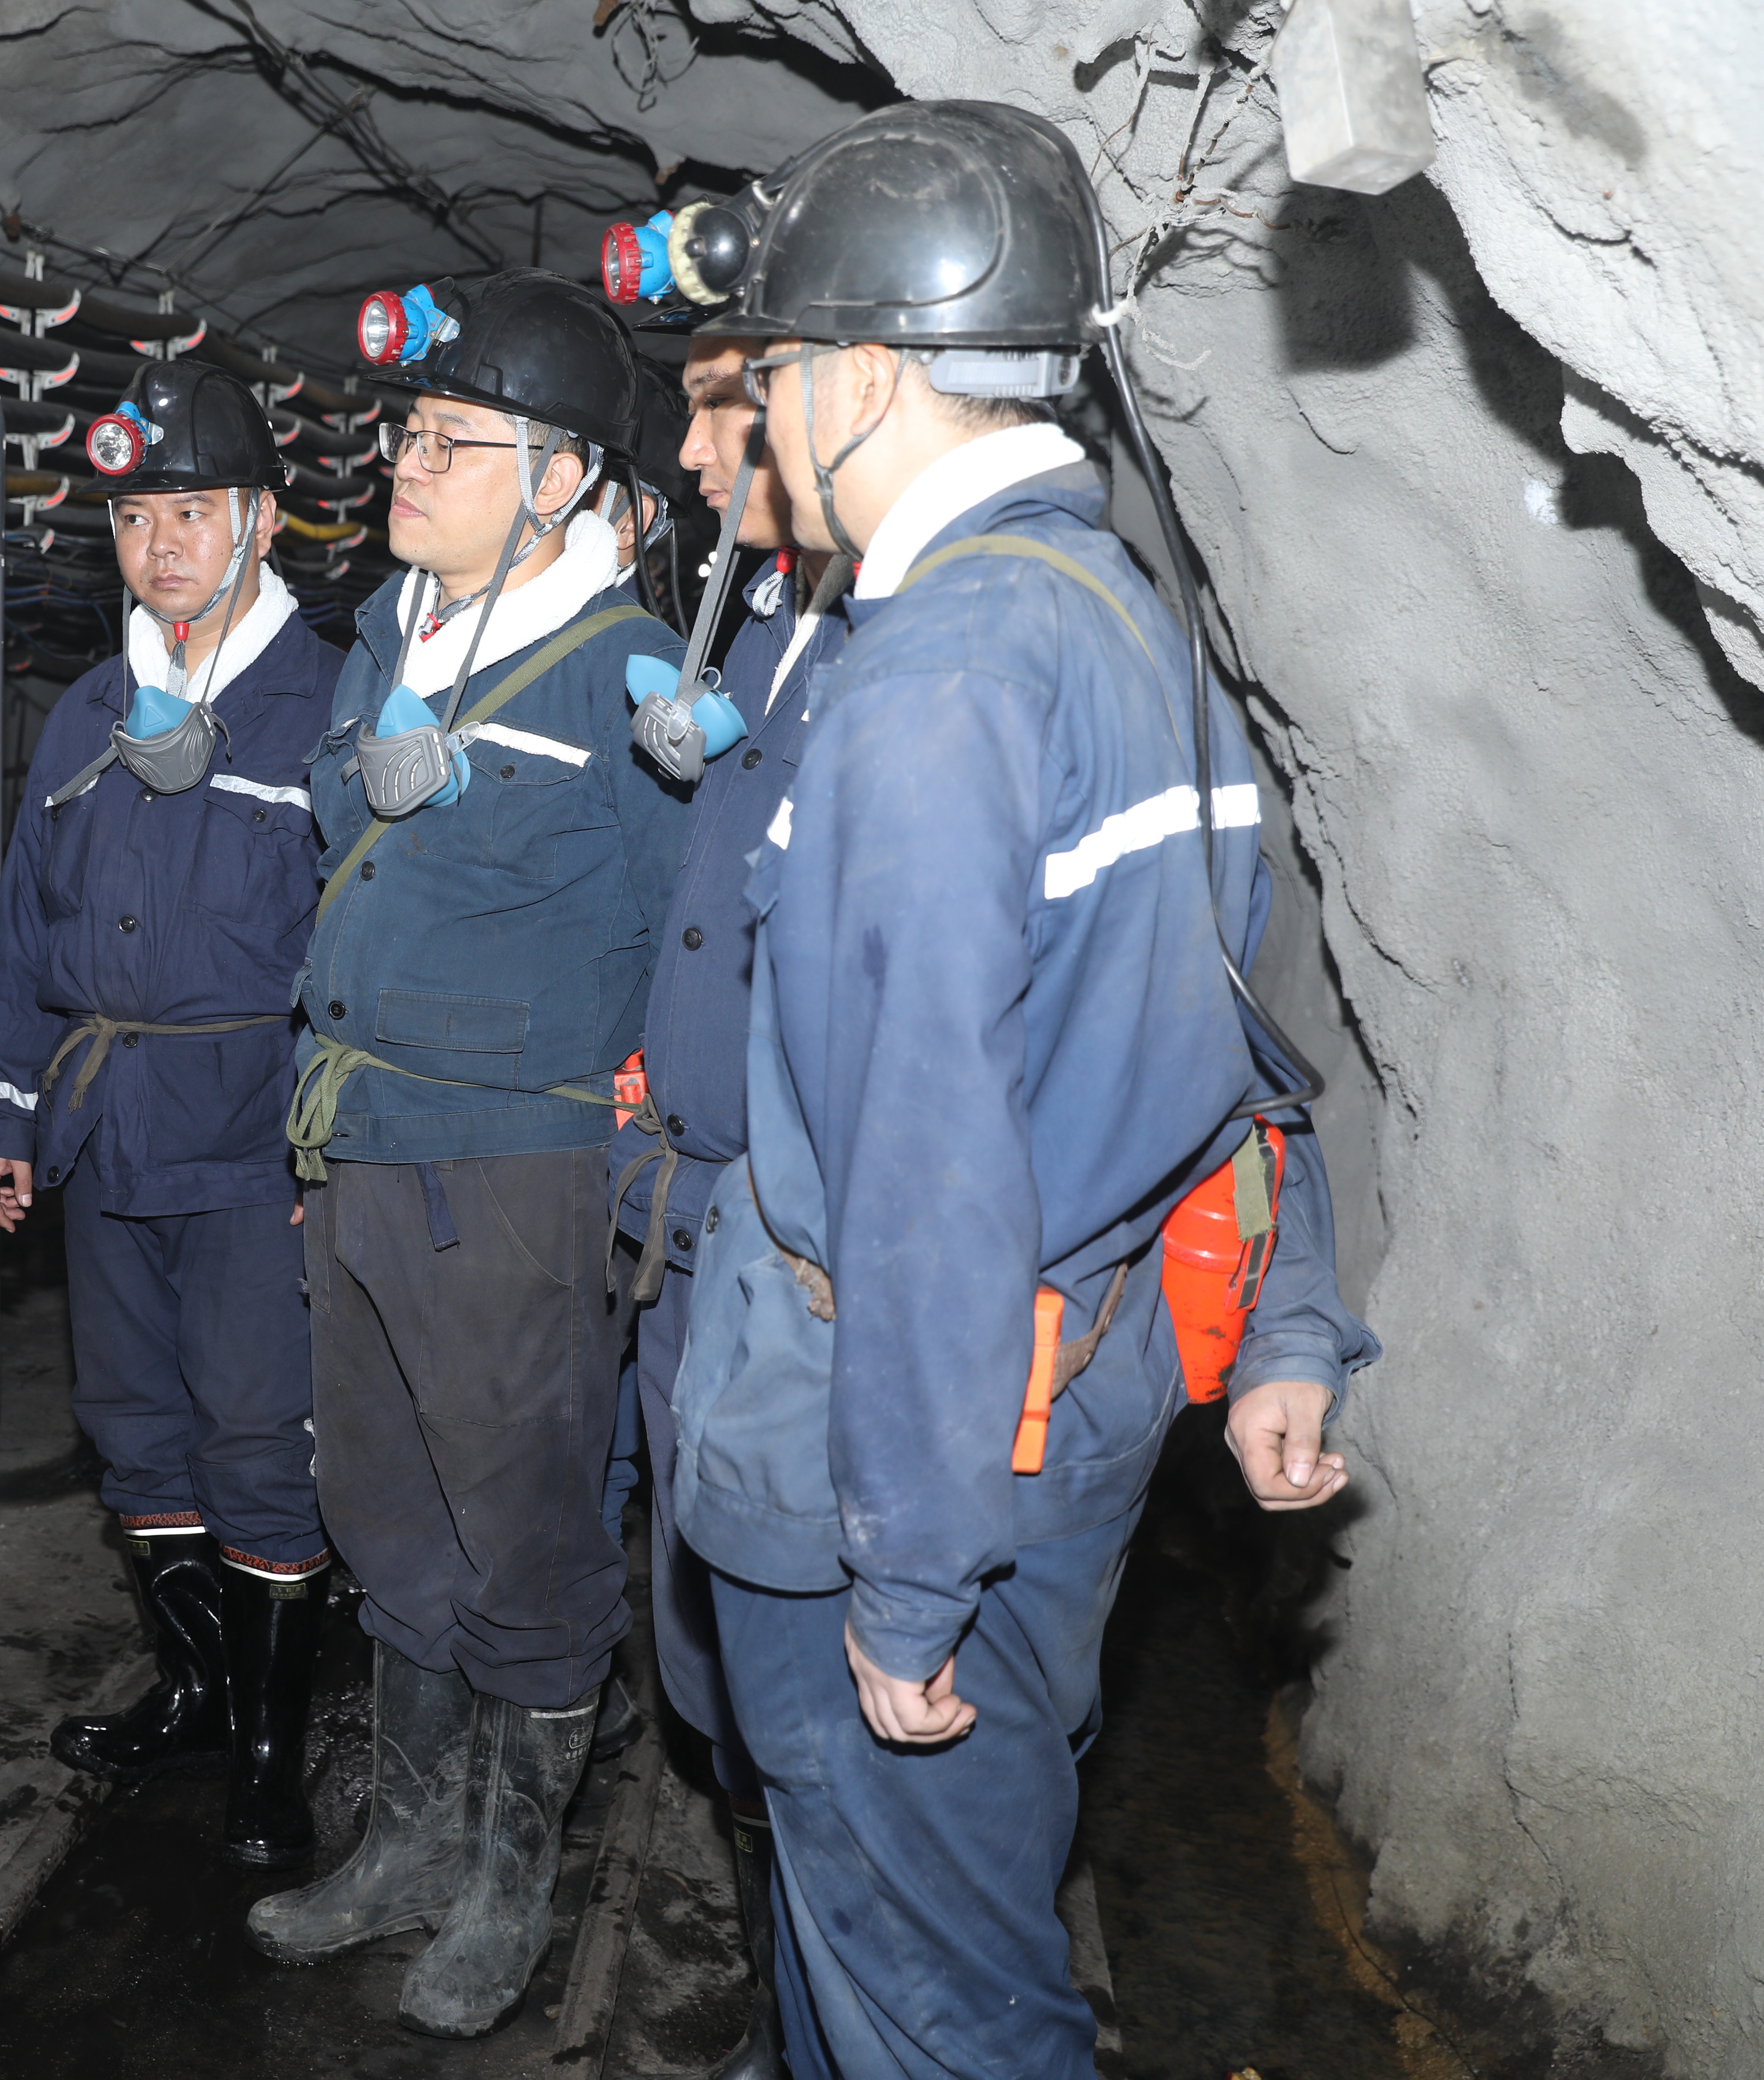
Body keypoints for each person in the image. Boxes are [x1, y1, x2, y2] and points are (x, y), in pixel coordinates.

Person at [670, 101, 1379, 2078]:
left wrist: (909, 1579)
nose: (762, 419)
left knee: (940, 1997)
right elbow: (1225, 1029)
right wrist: (1286, 1316)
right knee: (908, 1937)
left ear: (866, 378)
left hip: (918, 1445)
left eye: (778, 372)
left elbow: (924, 1175)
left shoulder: (934, 684)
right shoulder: (1131, 623)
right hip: (1074, 1400)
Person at [248, 269, 685, 2040]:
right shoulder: (388, 634)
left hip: (514, 1169)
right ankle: (411, 1844)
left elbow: (686, 942)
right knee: (382, 1503)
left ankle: (512, 1881)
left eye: (452, 442)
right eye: (407, 435)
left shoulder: (636, 683)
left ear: (561, 480)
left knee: (524, 1532)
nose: (406, 466)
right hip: (359, 1137)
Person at [0, 360, 341, 1866]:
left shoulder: (329, 704)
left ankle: (269, 1750)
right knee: (135, 1429)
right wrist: (3, 1114)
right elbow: (26, 933)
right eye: (134, 516)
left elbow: (362, 943)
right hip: (105, 1127)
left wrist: (335, 1146)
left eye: (193, 511)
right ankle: (194, 1687)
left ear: (263, 520)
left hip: (254, 1138)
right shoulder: (87, 714)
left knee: (258, 1436)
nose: (161, 544)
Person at [607, 297, 854, 2080]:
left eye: (724, 411)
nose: (696, 453)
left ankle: (824, 2024)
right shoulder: (767, 622)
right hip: (689, 1235)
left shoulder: (903, 648)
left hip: (797, 1263)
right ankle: (787, 2004)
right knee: (716, 1669)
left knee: (813, 1693)